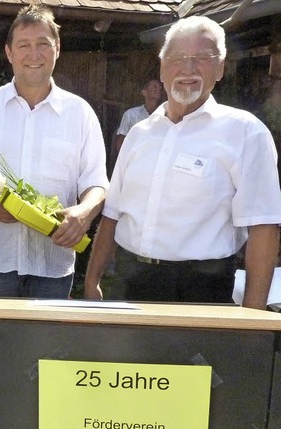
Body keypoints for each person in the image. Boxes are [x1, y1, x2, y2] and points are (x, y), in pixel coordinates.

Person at [84, 16, 281, 310]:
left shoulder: (245, 133)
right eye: (177, 58)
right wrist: (91, 282)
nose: (188, 69)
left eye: (202, 58)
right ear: (162, 68)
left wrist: (251, 317)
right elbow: (113, 214)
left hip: (200, 289)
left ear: (221, 68)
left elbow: (263, 226)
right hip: (127, 284)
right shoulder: (139, 134)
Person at [0, 4, 108, 303]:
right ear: (9, 53)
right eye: (23, 45)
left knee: (44, 348)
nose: (33, 54)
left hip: (52, 265)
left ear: (57, 49)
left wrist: (83, 212)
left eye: (43, 44)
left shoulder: (80, 113)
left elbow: (97, 182)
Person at [109, 79, 162, 169]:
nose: (159, 89)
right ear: (144, 92)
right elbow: (120, 141)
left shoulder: (164, 116)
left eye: (160, 88)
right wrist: (125, 163)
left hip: (154, 164)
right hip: (134, 162)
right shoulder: (131, 114)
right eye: (155, 86)